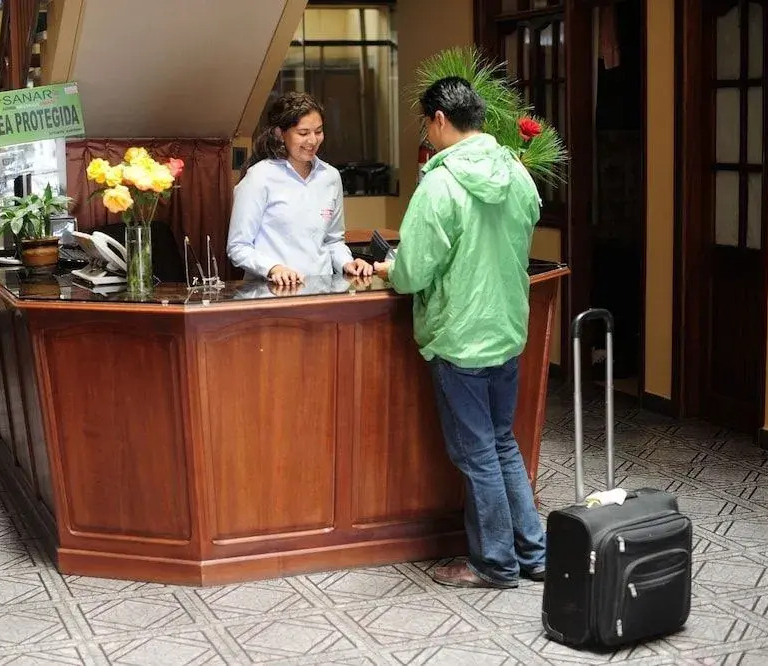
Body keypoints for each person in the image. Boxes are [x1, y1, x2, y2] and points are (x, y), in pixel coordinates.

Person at [374, 77, 546, 589]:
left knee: (477, 455)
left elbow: (413, 273)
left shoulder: (440, 184)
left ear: (439, 120)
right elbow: (526, 228)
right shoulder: (516, 173)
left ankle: (494, 564)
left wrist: (389, 268)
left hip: (459, 336)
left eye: (426, 124)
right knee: (502, 443)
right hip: (506, 328)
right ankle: (534, 553)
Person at [227, 92, 372, 286]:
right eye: (303, 133)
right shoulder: (259, 177)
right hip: (271, 292)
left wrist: (348, 263)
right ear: (280, 133)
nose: (313, 140)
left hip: (321, 292)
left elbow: (333, 241)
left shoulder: (330, 176)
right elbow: (238, 247)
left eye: (318, 132)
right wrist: (273, 268)